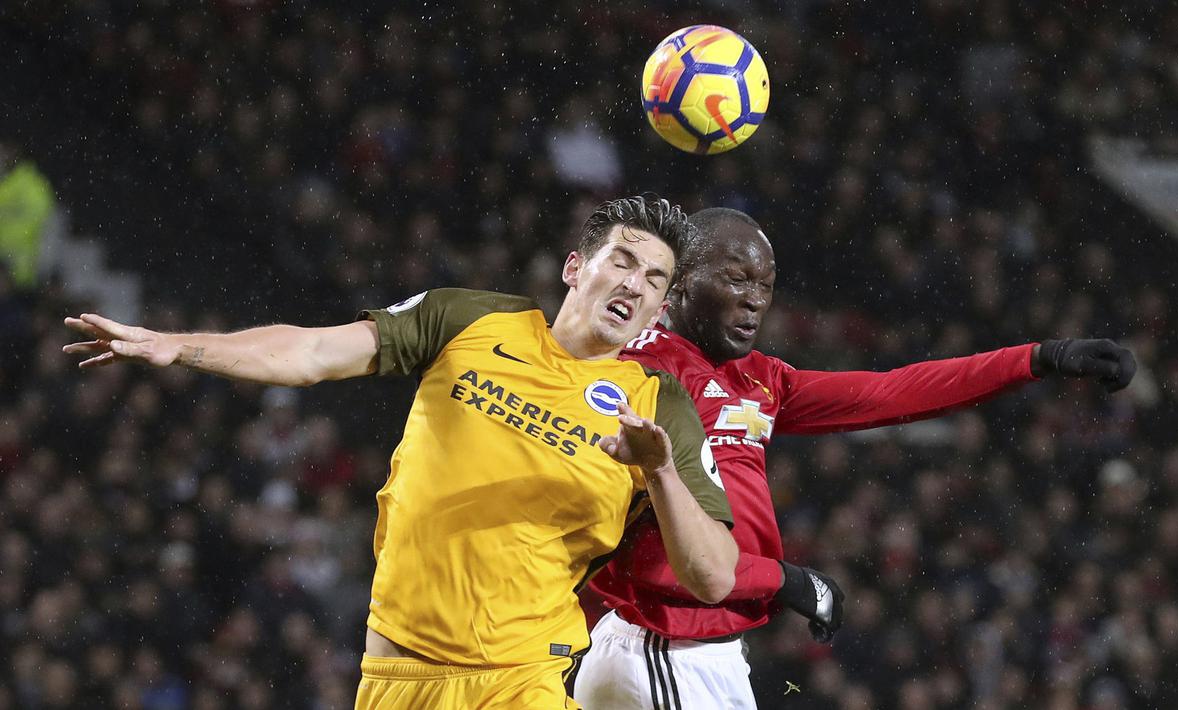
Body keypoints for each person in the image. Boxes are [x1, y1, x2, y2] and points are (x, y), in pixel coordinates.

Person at [63, 196, 740, 709]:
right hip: (395, 676)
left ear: (657, 311)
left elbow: (713, 577)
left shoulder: (659, 407)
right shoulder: (471, 320)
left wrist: (658, 474)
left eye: (653, 279)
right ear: (574, 267)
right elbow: (314, 352)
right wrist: (180, 346)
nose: (633, 284)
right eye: (621, 261)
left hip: (521, 681)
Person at [574, 207, 1137, 709]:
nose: (754, 300)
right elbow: (643, 550)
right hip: (663, 647)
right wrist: (780, 580)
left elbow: (892, 393)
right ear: (678, 285)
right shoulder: (642, 375)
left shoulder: (759, 380)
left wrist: (1037, 359)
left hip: (696, 652)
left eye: (765, 285)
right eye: (736, 279)